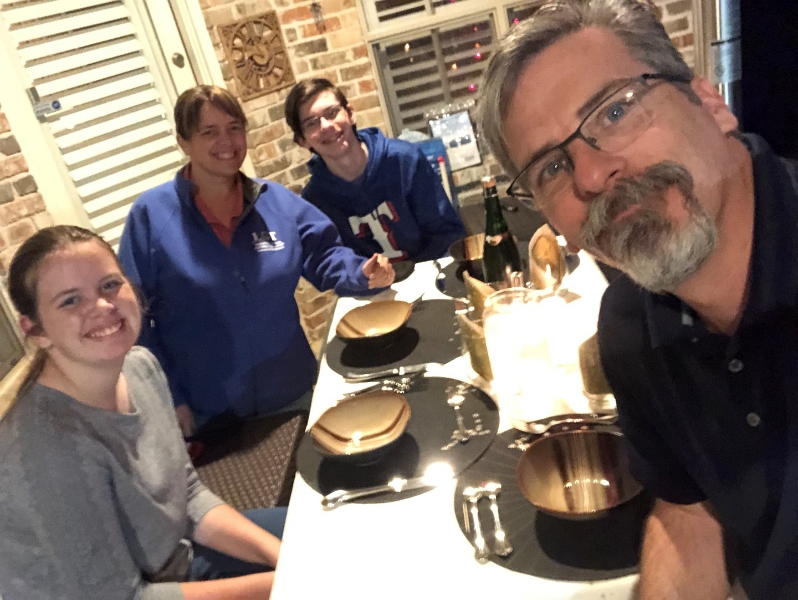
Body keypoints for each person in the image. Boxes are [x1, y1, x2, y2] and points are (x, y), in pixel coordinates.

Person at [479, 1, 798, 598]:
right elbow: (689, 511)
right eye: (552, 167)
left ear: (709, 102)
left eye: (615, 110)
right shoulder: (629, 327)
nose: (591, 175)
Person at [1, 225, 286, 599]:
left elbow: (188, 494)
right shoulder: (45, 449)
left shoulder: (140, 366)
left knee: (333, 533)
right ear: (36, 330)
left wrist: (284, 557)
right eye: (70, 300)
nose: (102, 306)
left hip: (176, 558)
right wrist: (291, 581)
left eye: (109, 285)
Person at [118, 85, 394, 437]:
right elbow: (132, 317)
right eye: (209, 132)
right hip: (205, 413)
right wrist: (169, 397)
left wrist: (361, 272)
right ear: (183, 142)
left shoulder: (274, 201)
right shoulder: (151, 216)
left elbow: (324, 253)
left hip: (291, 393)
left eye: (234, 128)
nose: (226, 141)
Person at [284, 78, 466, 263]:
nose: (326, 126)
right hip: (367, 282)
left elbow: (447, 234)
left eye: (332, 112)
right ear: (302, 141)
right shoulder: (315, 201)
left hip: (430, 273)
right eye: (311, 123)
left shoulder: (405, 159)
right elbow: (331, 263)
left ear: (350, 113)